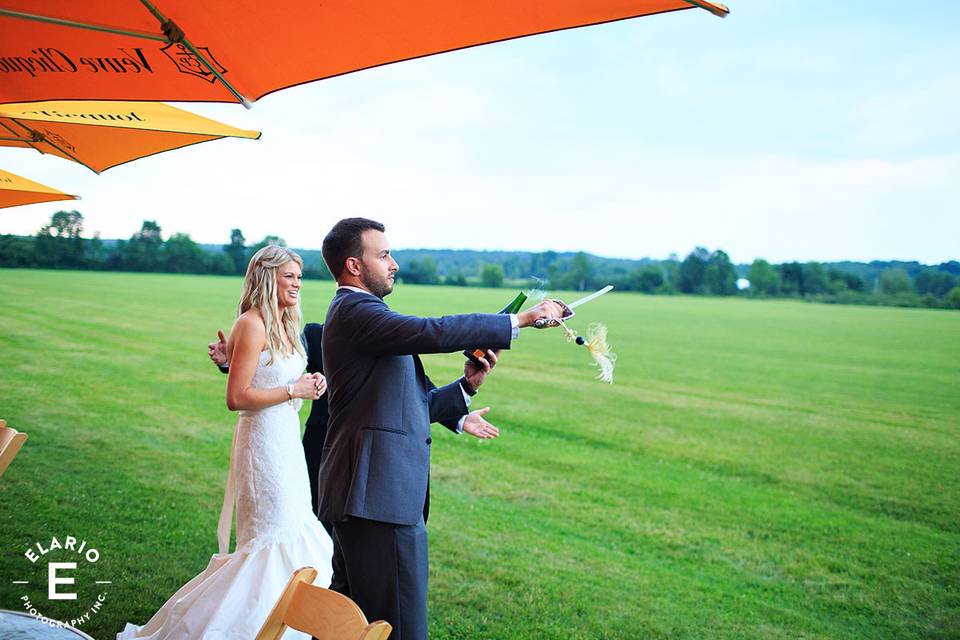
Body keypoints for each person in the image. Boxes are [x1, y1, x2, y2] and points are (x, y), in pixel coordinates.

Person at [318, 218, 565, 640]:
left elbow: (410, 405)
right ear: (354, 266)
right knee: (398, 626)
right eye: (383, 255)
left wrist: (467, 386)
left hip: (363, 498)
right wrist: (518, 322)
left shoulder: (362, 318)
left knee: (344, 624)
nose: (394, 264)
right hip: (377, 500)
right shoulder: (355, 311)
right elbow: (434, 330)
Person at [119, 246, 332, 640]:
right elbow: (237, 398)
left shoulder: (284, 323)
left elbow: (270, 377)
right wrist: (292, 389)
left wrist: (309, 386)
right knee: (269, 543)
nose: (297, 284)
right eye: (289, 276)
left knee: (296, 533)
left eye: (299, 277)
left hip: (285, 445)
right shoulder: (252, 323)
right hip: (262, 449)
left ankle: (279, 628)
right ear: (267, 278)